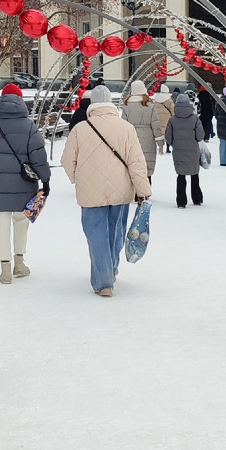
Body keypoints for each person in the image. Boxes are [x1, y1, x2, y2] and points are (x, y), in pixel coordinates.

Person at [61, 84, 151, 296]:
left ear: (92, 104)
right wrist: (143, 189)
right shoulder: (126, 128)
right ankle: (111, 269)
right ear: (111, 102)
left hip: (90, 193)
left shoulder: (80, 129)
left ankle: (104, 282)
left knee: (96, 235)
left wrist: (78, 178)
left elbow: (66, 161)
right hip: (121, 190)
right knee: (116, 233)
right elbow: (137, 162)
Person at [0, 83, 49, 284]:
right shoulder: (29, 126)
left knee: (1, 225)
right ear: (20, 100)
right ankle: (20, 262)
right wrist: (45, 179)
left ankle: (5, 269)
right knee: (21, 222)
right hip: (24, 184)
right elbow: (38, 156)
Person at [165, 92, 205, 208]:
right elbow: (200, 135)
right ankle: (197, 198)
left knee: (181, 175)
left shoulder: (172, 120)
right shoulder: (195, 119)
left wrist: (174, 144)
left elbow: (168, 136)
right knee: (194, 174)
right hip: (192, 150)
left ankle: (181, 201)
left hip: (178, 150)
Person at [121, 80, 163, 177]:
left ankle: (135, 191)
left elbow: (123, 125)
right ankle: (146, 190)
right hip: (148, 138)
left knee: (134, 168)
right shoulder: (149, 105)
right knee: (147, 169)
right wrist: (160, 143)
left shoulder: (127, 105)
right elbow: (155, 125)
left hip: (132, 138)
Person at [153, 85, 176, 152]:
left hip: (158, 119)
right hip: (167, 119)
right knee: (167, 134)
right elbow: (173, 110)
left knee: (159, 134)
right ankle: (168, 148)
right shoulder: (169, 100)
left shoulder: (156, 99)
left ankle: (160, 147)